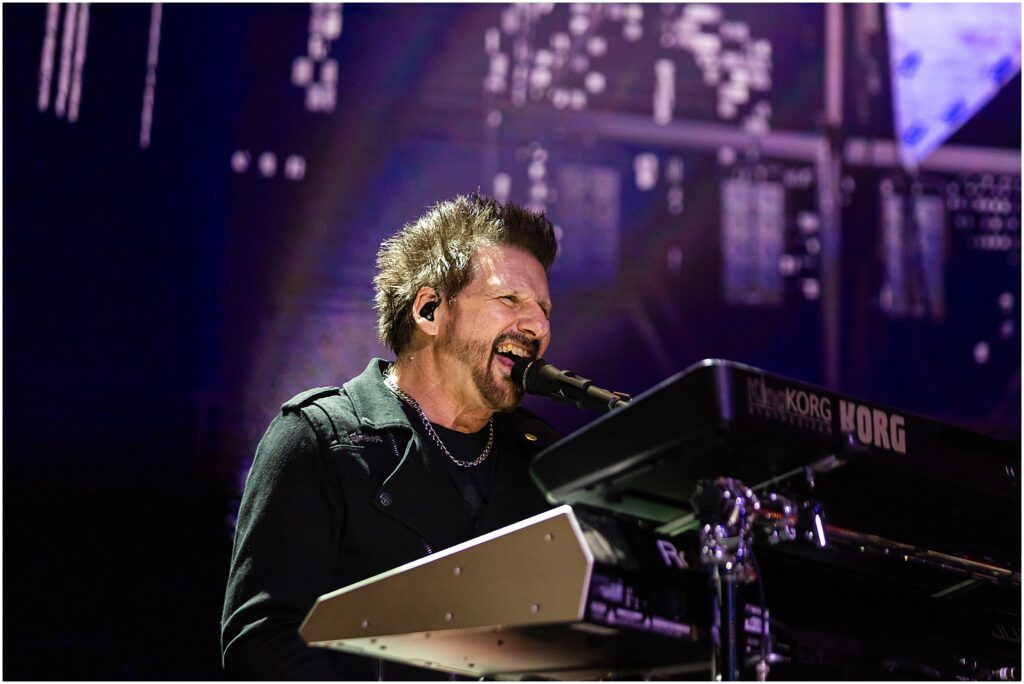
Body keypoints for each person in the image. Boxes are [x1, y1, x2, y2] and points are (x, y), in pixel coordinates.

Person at [221, 193, 561, 679]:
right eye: (511, 300)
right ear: (429, 310)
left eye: (545, 309)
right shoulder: (318, 439)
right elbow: (261, 646)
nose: (538, 326)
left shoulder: (542, 460)